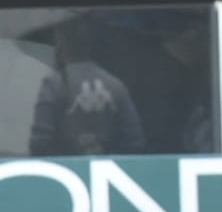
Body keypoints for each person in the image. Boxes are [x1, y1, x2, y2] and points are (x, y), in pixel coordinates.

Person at [29, 19, 145, 157]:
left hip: (65, 171)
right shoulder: (115, 85)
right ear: (89, 46)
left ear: (60, 47)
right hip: (107, 171)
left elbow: (40, 142)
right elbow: (135, 141)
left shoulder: (53, 84)